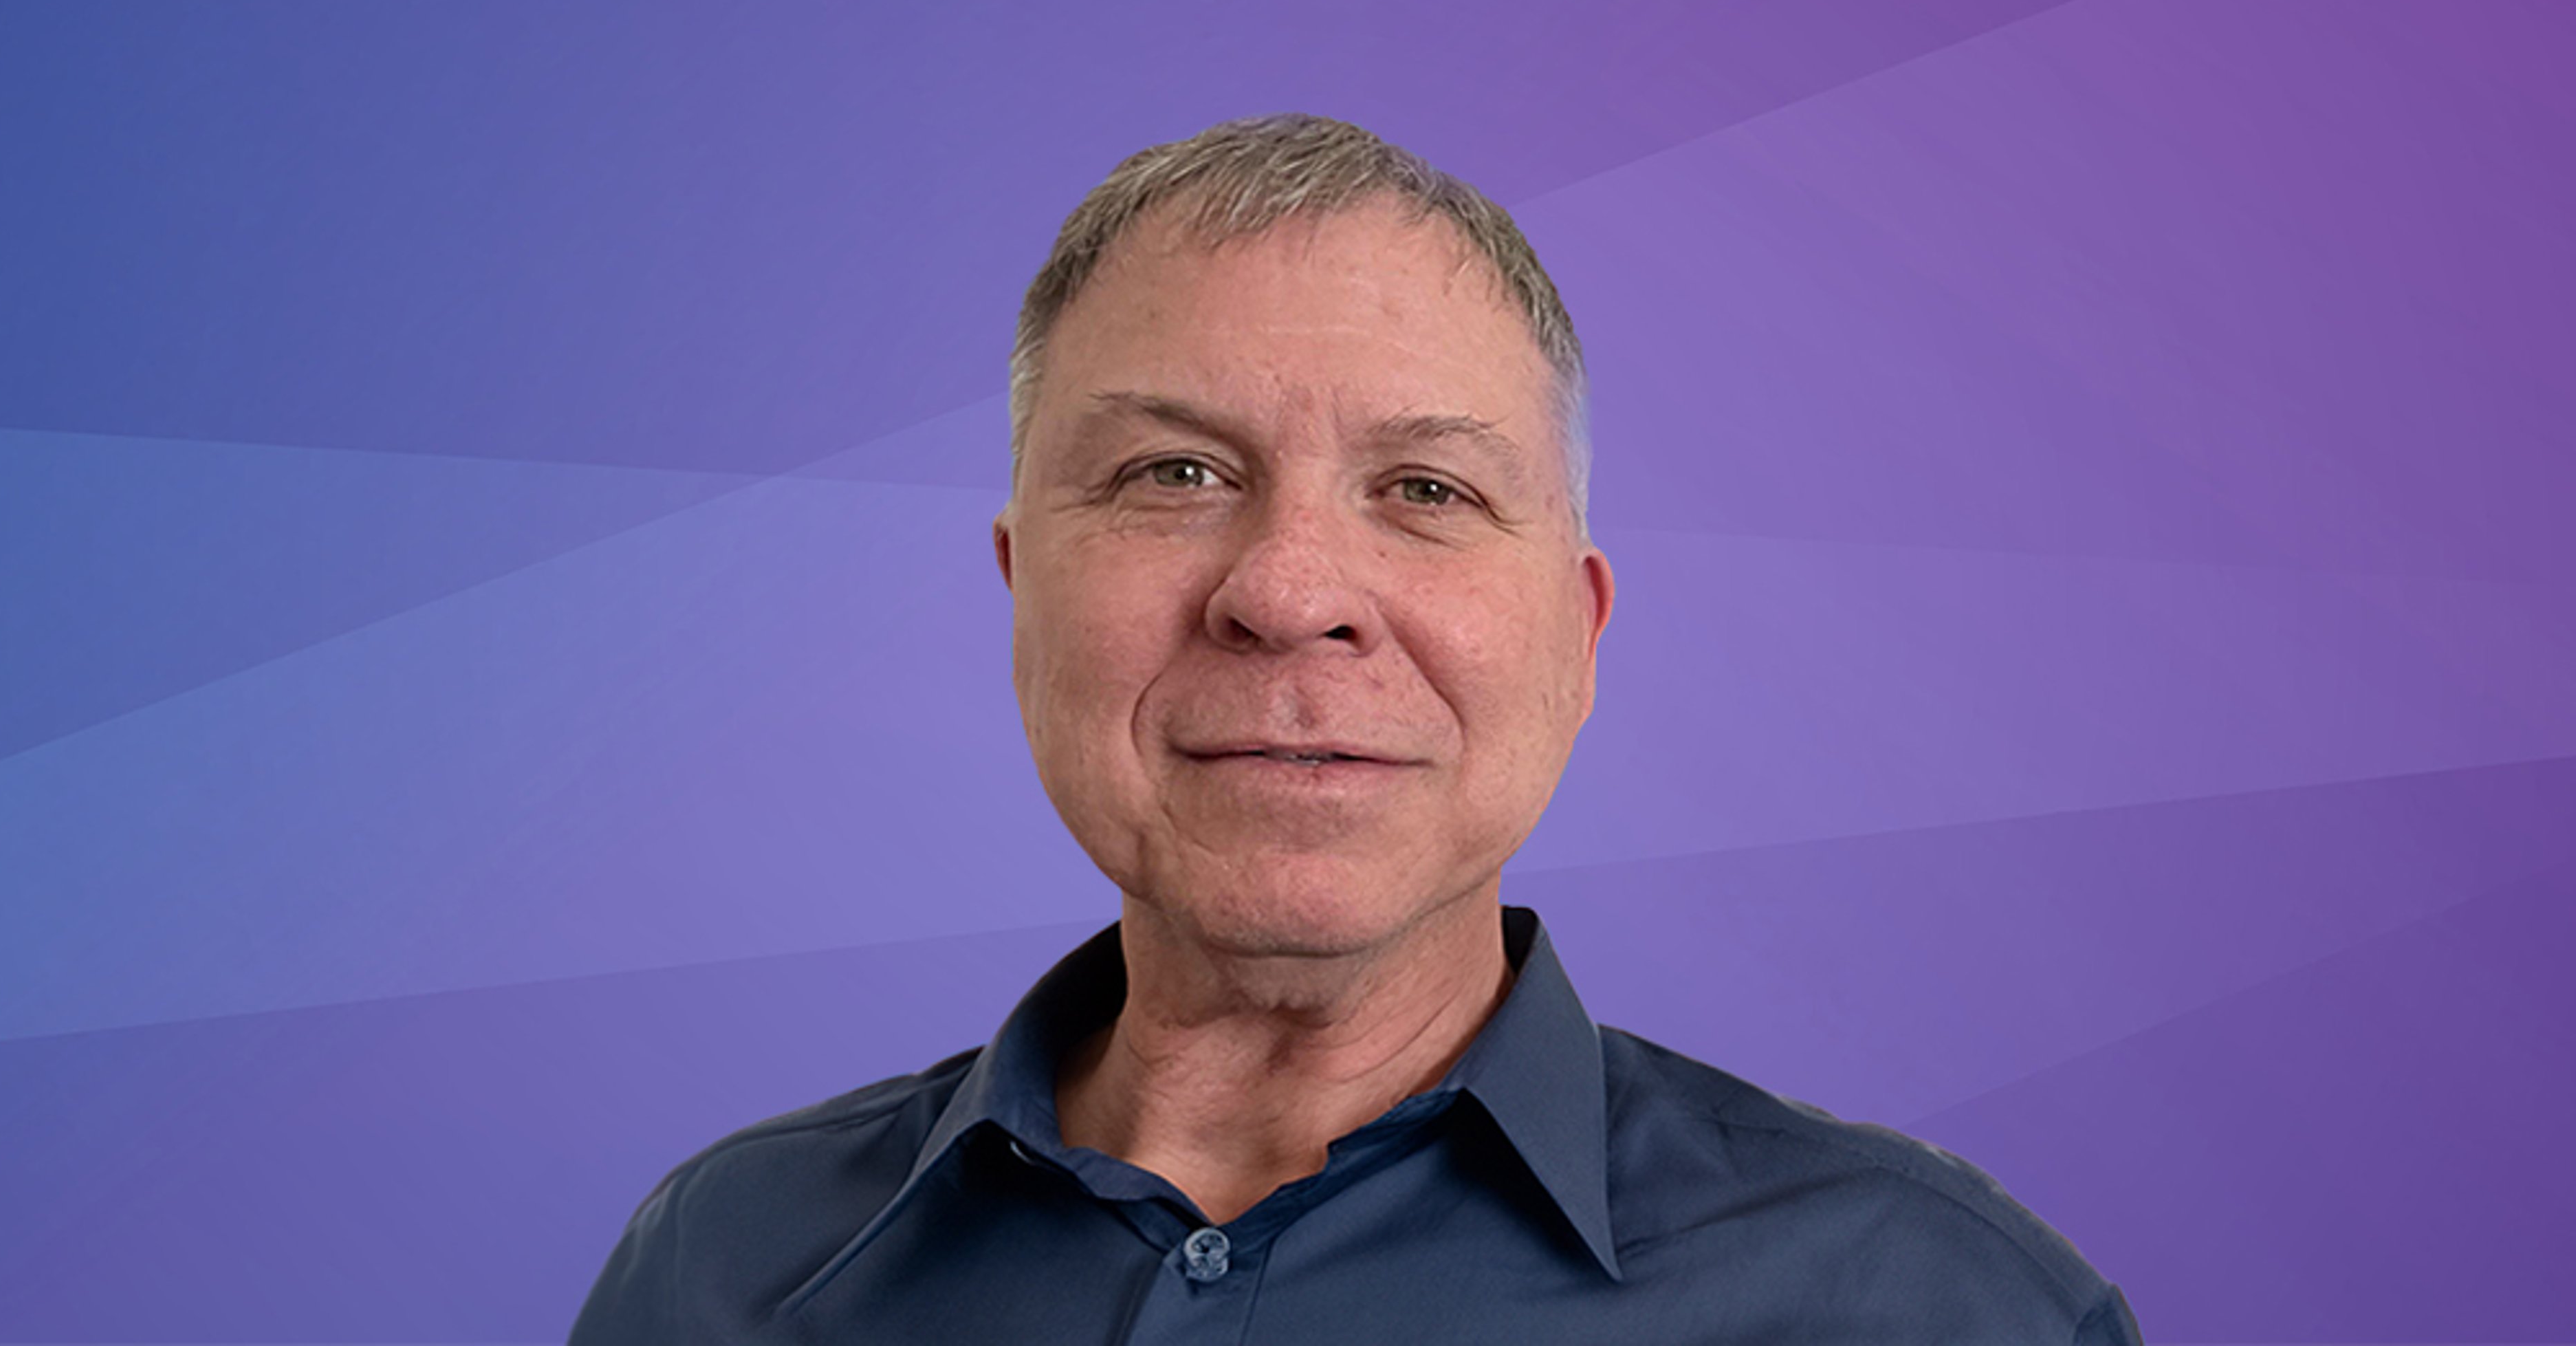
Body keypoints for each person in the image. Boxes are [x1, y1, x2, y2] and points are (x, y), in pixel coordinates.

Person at [568, 114, 2143, 1343]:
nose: (1291, 593)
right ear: (1017, 592)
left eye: (1427, 491)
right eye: (1172, 473)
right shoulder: (722, 1271)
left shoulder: (1946, 1313)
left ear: (1578, 640)